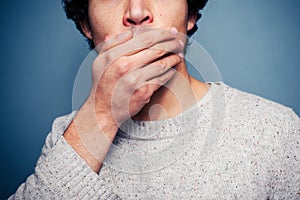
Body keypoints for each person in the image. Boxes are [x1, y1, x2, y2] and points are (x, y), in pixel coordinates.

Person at [9, 0, 299, 199]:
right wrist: (102, 114)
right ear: (86, 24)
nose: (136, 12)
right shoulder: (67, 137)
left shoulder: (277, 131)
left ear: (190, 15)